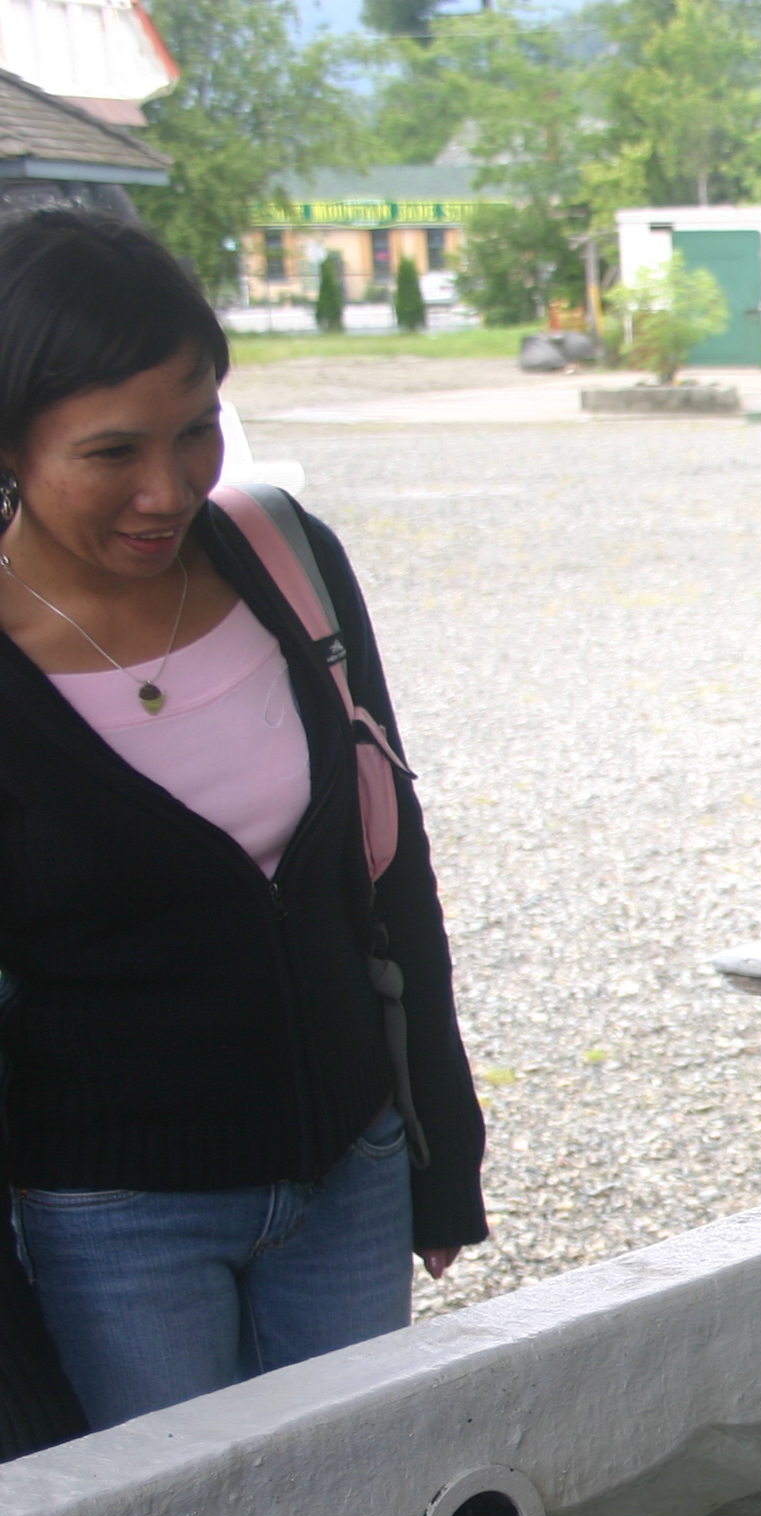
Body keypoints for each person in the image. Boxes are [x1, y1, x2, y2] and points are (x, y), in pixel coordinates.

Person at [0, 207, 486, 1432]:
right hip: (112, 1220)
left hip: (351, 1172)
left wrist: (441, 1150)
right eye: (112, 451)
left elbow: (391, 866)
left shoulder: (285, 557)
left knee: (360, 1511)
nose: (167, 489)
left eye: (197, 428)